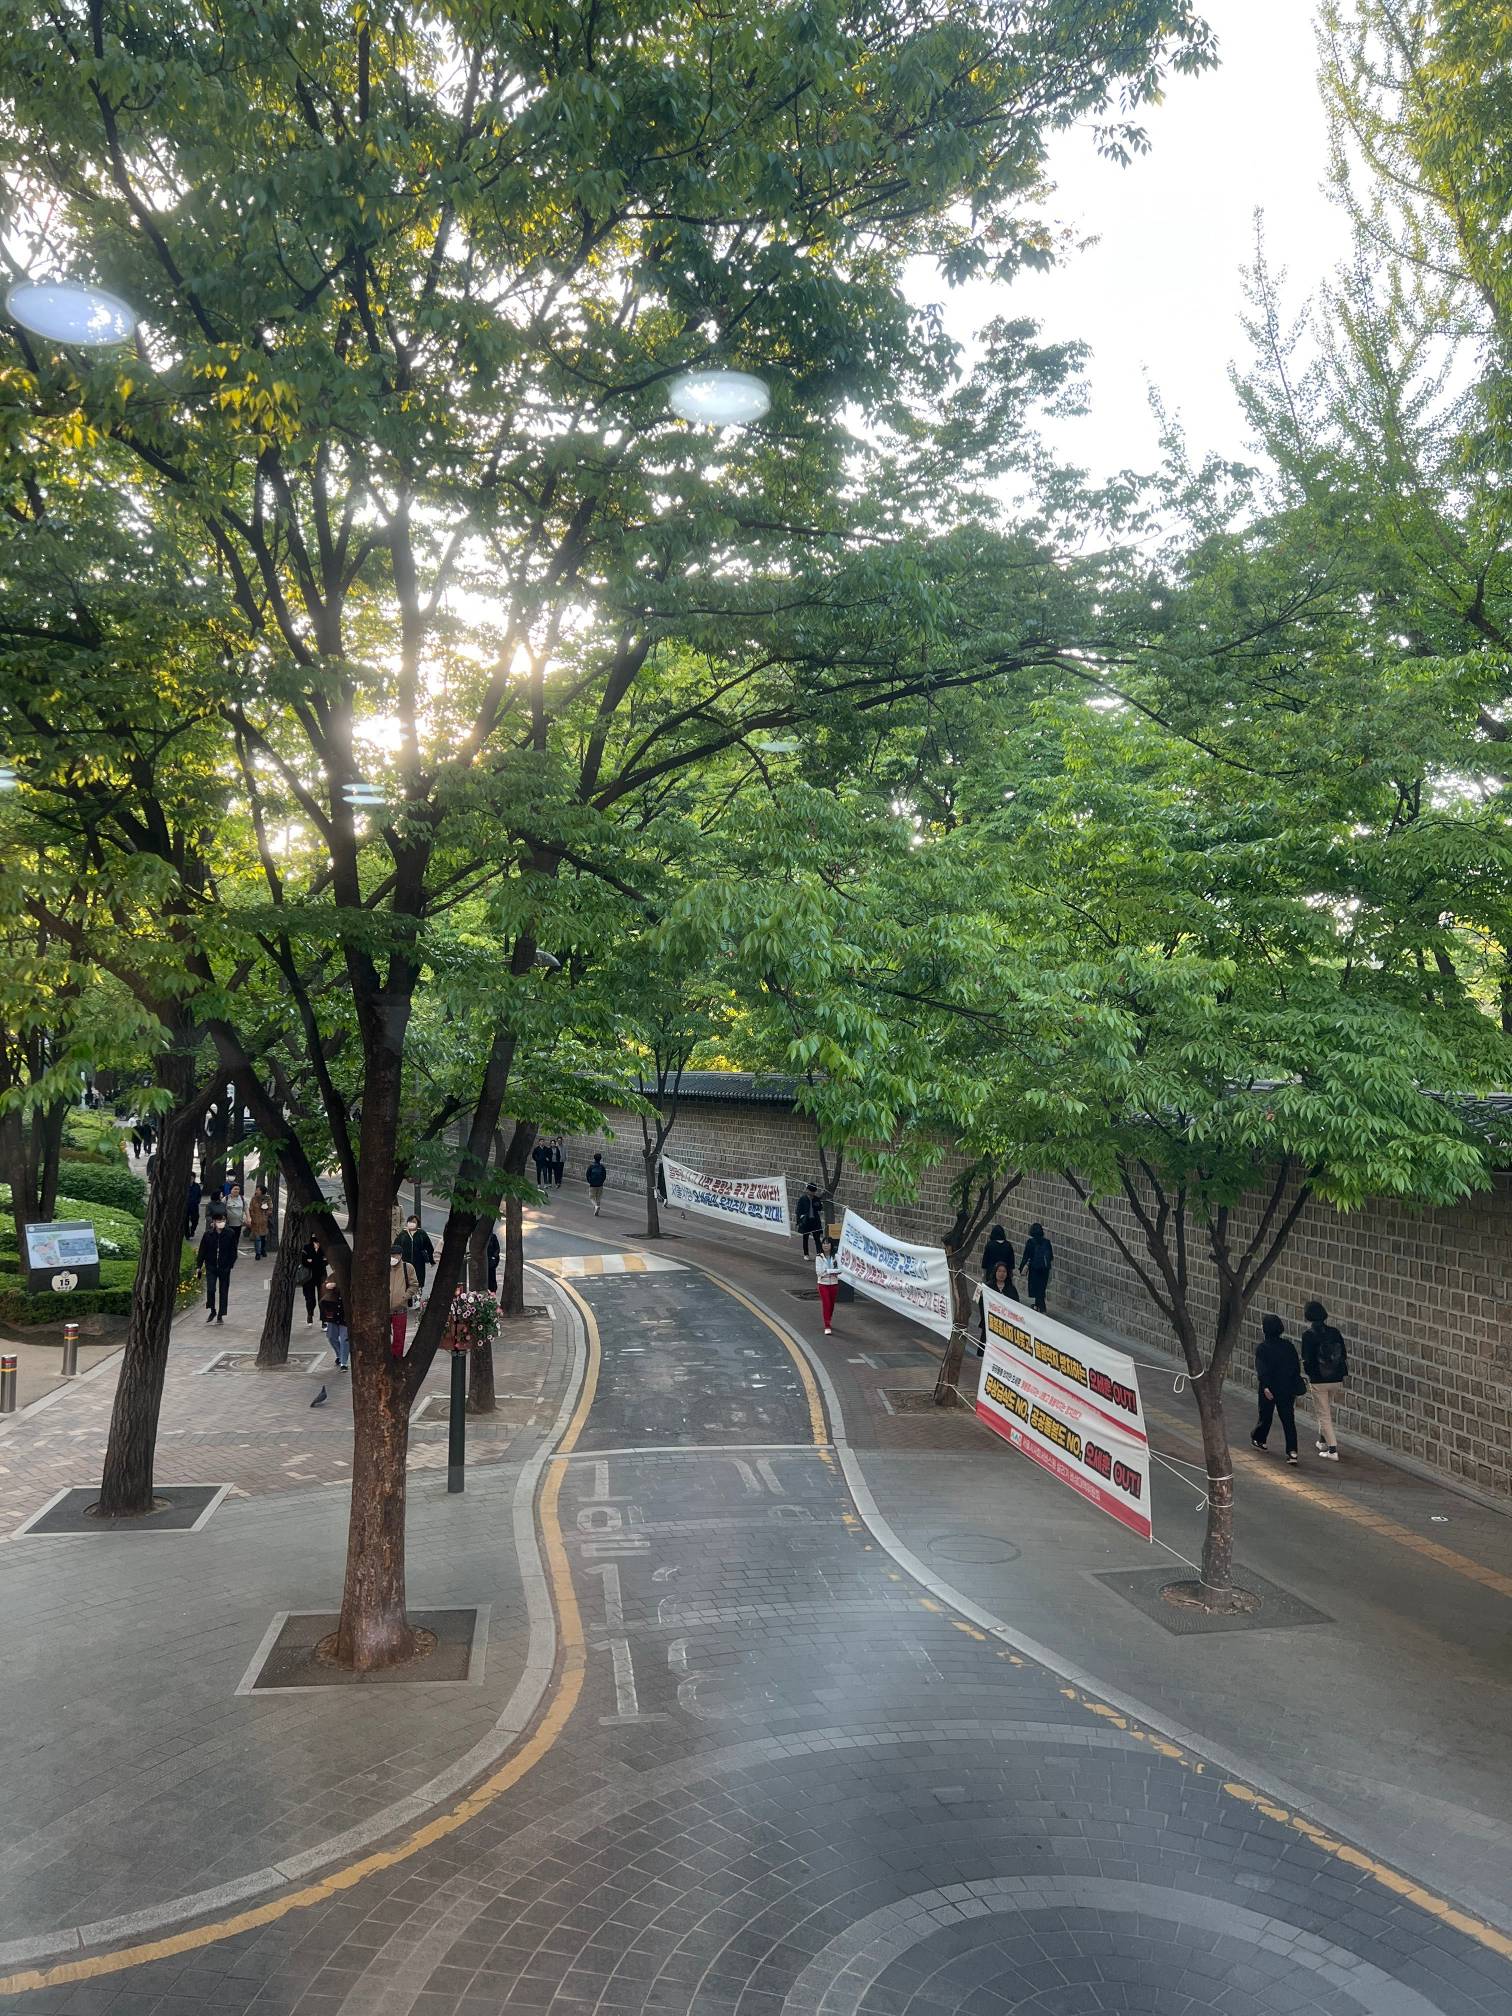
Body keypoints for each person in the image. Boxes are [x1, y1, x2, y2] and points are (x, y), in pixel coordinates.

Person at [1251, 1312, 1306, 1465]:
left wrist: (1266, 1386)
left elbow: (1262, 1369)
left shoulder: (1263, 1348)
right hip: (1287, 1388)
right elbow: (1295, 1367)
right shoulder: (1288, 1346)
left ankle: (1260, 1439)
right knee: (1288, 1420)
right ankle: (1292, 1451)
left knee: (1265, 1416)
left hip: (1270, 1388)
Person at [1301, 1299, 1350, 1461]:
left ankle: (1332, 1449)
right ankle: (1322, 1441)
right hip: (1336, 1378)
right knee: (1325, 1409)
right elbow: (1343, 1354)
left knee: (1323, 1414)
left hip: (1318, 1380)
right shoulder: (1334, 1332)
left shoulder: (1308, 1335)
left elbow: (1306, 1359)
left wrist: (1310, 1373)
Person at [197, 1208, 240, 1324]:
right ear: (214, 1222)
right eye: (219, 1220)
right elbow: (202, 1251)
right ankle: (212, 1310)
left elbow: (233, 1251)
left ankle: (221, 1314)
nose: (221, 1222)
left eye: (223, 1220)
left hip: (224, 1267)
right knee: (211, 1289)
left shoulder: (230, 1233)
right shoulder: (208, 1235)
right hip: (211, 1266)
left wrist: (230, 1265)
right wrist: (199, 1266)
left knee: (223, 1291)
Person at [978, 1259, 1014, 1353]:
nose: (1002, 1274)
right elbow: (981, 1303)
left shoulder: (1011, 1288)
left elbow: (1015, 1305)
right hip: (990, 1320)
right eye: (999, 1271)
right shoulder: (988, 1286)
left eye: (1004, 1271)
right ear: (995, 1272)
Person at [389, 1242, 417, 1358]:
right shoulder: (385, 1267)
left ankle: (397, 1358)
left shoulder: (408, 1268)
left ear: (400, 1255)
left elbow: (414, 1285)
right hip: (385, 1310)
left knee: (399, 1338)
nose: (393, 1258)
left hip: (400, 1309)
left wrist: (404, 1297)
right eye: (391, 1255)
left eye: (395, 1255)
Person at [319, 1266, 349, 1370]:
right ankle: (339, 1354)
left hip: (345, 1312)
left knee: (345, 1338)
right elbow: (324, 1287)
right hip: (333, 1311)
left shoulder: (350, 1276)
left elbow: (347, 1289)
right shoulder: (333, 1276)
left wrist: (336, 1286)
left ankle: (344, 1362)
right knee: (331, 1337)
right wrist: (327, 1285)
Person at [1021, 1223, 1053, 1313]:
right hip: (1045, 1269)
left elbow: (1026, 1256)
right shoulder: (1047, 1242)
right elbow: (1051, 1256)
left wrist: (1022, 1267)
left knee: (1036, 1289)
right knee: (1041, 1288)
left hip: (1034, 1269)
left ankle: (1040, 1308)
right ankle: (1040, 1307)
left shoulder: (1030, 1242)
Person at [815, 1235, 841, 1335]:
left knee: (831, 1305)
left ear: (831, 1245)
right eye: (824, 1243)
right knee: (826, 1304)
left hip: (834, 1283)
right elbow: (819, 1272)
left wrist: (828, 1271)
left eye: (827, 1243)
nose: (825, 1245)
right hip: (823, 1284)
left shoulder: (836, 1256)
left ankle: (828, 1319)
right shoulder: (819, 1257)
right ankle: (827, 1325)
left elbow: (840, 1270)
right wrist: (830, 1271)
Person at [298, 1231, 324, 1325]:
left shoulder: (324, 1248)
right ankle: (310, 1314)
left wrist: (312, 1261)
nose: (316, 1243)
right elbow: (304, 1261)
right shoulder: (306, 1248)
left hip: (321, 1276)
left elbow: (326, 1261)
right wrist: (318, 1261)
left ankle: (324, 1320)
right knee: (310, 1299)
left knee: (323, 1299)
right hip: (308, 1277)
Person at [406, 1214, 434, 1296]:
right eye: (411, 1222)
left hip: (419, 1262)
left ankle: (417, 1298)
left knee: (419, 1281)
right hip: (406, 1262)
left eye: (414, 1222)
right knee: (407, 1281)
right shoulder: (404, 1234)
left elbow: (429, 1247)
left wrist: (431, 1260)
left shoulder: (422, 1233)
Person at [795, 1182, 825, 1257]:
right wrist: (799, 1221)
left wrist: (820, 1203)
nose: (813, 1193)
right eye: (811, 1191)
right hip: (806, 1221)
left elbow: (820, 1208)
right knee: (805, 1238)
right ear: (807, 1190)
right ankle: (806, 1254)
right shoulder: (802, 1199)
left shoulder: (816, 1199)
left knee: (817, 1238)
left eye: (814, 1191)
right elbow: (798, 1211)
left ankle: (819, 1254)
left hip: (815, 1221)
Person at [247, 1183, 272, 1260]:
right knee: (257, 1238)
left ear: (262, 1191)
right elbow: (251, 1208)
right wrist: (252, 1217)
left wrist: (266, 1213)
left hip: (264, 1222)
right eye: (256, 1190)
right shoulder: (253, 1198)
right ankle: (257, 1253)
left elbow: (270, 1209)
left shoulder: (267, 1198)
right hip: (255, 1221)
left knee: (263, 1237)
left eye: (258, 1190)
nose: (256, 1191)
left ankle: (262, 1250)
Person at [185, 1175, 202, 1242]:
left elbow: (199, 1195)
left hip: (194, 1206)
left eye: (192, 1178)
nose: (190, 1180)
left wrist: (197, 1201)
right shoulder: (184, 1185)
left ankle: (192, 1230)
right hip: (186, 1207)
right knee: (185, 1221)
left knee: (195, 1220)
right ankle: (187, 1235)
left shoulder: (197, 1186)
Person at [486, 1222, 500, 1292]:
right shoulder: (481, 1238)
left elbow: (497, 1248)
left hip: (491, 1260)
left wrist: (494, 1257)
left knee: (491, 1274)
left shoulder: (493, 1237)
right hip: (484, 1259)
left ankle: (492, 1289)